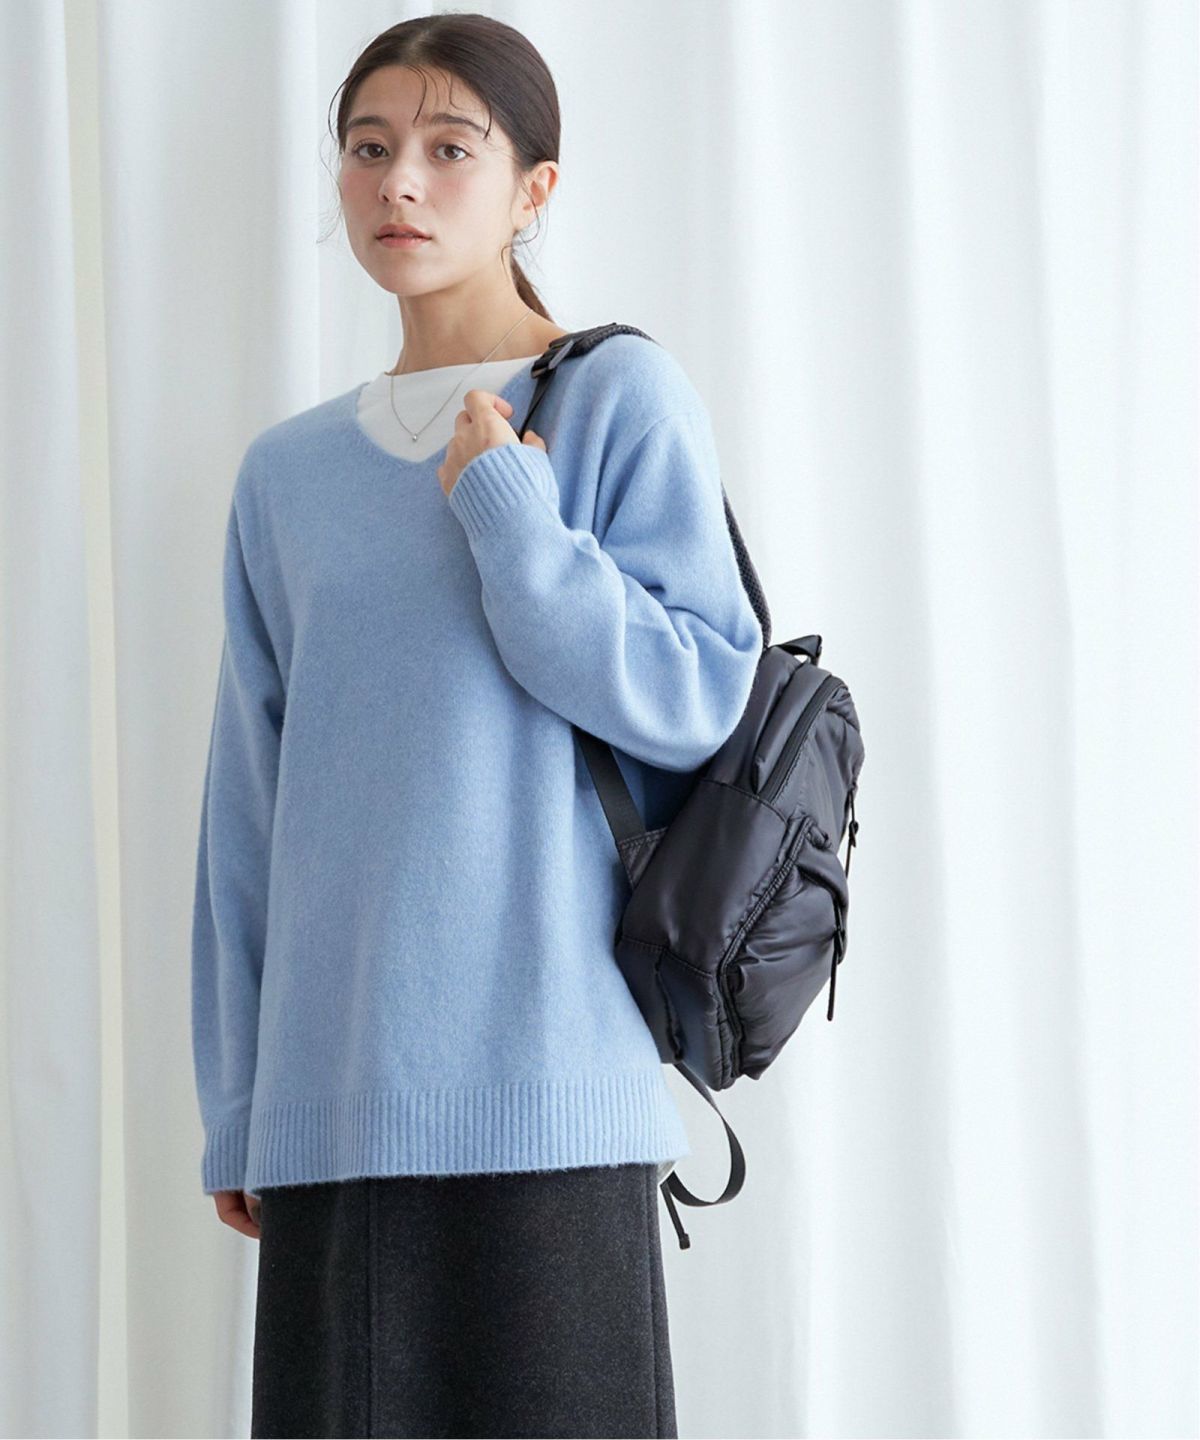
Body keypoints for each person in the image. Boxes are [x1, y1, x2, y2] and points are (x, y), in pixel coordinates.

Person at [190, 12, 763, 1439]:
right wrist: (239, 1098)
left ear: (532, 189)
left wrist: (513, 517)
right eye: (369, 147)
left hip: (552, 1098)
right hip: (332, 1110)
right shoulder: (285, 476)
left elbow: (699, 700)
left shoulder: (617, 399)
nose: (399, 182)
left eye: (452, 149)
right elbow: (249, 809)